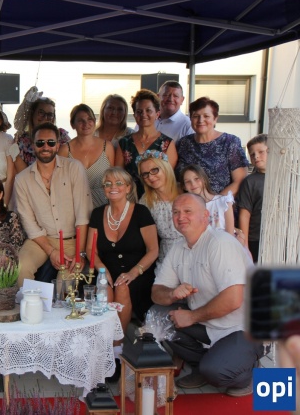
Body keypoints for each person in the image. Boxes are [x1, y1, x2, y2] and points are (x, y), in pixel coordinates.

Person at [151, 193, 262, 396]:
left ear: (205, 216)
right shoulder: (178, 248)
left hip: (241, 327)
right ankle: (203, 366)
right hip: (208, 324)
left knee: (217, 372)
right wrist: (172, 293)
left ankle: (248, 371)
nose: (180, 217)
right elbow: (156, 293)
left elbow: (233, 299)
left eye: (187, 211)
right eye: (176, 212)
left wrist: (192, 316)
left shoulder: (220, 243)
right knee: (157, 316)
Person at [87, 167, 159, 380]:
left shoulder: (141, 212)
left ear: (128, 188)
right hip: (106, 270)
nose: (113, 187)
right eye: (108, 184)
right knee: (105, 290)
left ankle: (117, 349)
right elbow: (91, 251)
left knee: (123, 288)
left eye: (119, 183)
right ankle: (105, 348)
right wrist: (101, 271)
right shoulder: (98, 214)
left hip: (138, 273)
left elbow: (153, 250)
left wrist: (134, 272)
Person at [14, 122, 92, 286]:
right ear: (33, 146)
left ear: (57, 145)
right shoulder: (22, 179)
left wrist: (80, 253)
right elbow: (28, 222)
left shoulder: (74, 168)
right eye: (40, 143)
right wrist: (52, 251)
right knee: (21, 267)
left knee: (64, 286)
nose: (45, 147)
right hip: (43, 240)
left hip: (73, 240)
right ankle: (28, 303)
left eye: (50, 142)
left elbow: (83, 214)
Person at [175, 97, 249, 195]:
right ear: (190, 119)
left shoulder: (230, 142)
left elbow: (240, 181)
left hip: (221, 202)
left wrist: (215, 202)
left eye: (206, 116)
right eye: (196, 116)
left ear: (215, 119)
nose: (201, 120)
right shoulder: (183, 143)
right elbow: (175, 179)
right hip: (187, 202)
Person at [115, 89, 177, 199]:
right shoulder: (124, 143)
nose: (143, 114)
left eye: (148, 110)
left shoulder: (167, 143)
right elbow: (118, 176)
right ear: (134, 115)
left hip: (158, 200)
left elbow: (169, 179)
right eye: (139, 111)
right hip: (130, 199)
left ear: (157, 114)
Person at [59, 103, 114, 208]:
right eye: (80, 120)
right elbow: (59, 182)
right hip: (74, 206)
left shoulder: (107, 147)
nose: (86, 124)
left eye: (90, 119)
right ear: (72, 124)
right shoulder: (65, 150)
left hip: (104, 206)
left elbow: (115, 178)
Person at [137, 151, 182, 266]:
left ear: (165, 168)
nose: (151, 177)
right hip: (167, 257)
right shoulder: (146, 201)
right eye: (145, 174)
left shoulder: (185, 190)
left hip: (195, 251)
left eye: (154, 170)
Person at [13, 87, 71, 173]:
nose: (45, 117)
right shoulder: (22, 140)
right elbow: (22, 173)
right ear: (33, 114)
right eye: (41, 113)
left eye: (50, 114)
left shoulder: (61, 135)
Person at [237, 134, 268, 262]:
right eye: (252, 154)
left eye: (261, 152)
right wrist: (245, 246)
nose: (256, 156)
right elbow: (244, 215)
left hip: (283, 236)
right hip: (256, 238)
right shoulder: (250, 182)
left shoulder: (288, 177)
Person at [181, 164, 235, 235]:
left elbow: (230, 234)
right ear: (184, 187)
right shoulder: (188, 209)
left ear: (204, 179)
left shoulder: (224, 201)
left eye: (196, 179)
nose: (193, 184)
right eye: (188, 181)